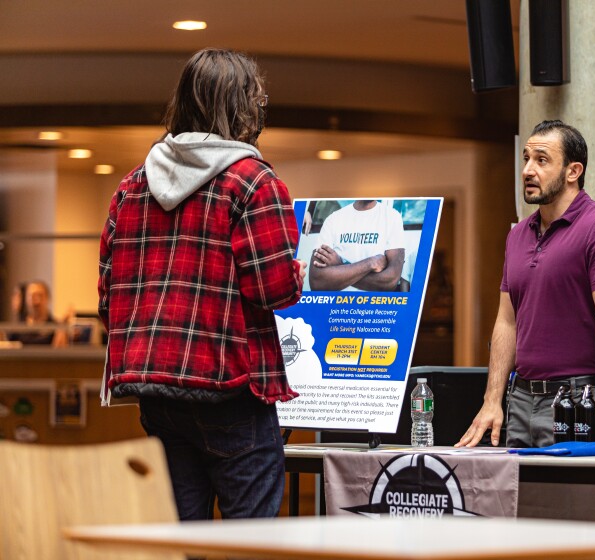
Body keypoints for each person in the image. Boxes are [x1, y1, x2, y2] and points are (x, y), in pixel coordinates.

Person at [98, 48, 305, 521]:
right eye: (258, 97)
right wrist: (298, 269)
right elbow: (274, 289)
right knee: (250, 544)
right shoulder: (252, 183)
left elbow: (108, 295)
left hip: (154, 391)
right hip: (229, 387)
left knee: (179, 537)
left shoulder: (131, 187)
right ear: (242, 107)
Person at [456, 120, 595, 451]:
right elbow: (506, 322)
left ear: (573, 171)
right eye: (525, 158)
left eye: (541, 160)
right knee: (519, 499)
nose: (527, 170)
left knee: (568, 500)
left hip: (576, 398)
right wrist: (492, 400)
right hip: (520, 397)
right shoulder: (517, 235)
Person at [308, 200, 406, 291]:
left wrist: (339, 266)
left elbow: (391, 281)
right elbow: (316, 282)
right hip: (335, 306)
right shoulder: (333, 219)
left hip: (374, 307)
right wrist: (370, 263)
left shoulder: (392, 217)